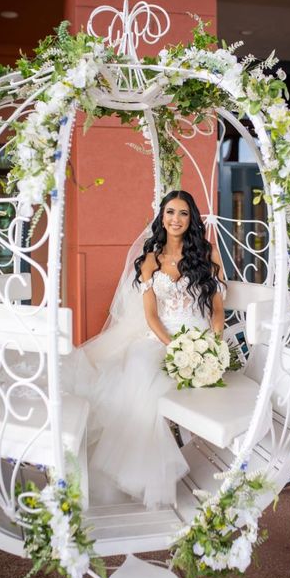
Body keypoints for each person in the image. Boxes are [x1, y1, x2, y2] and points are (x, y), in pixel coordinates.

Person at [72, 190, 225, 510]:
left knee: (153, 384)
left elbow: (216, 310)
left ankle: (151, 478)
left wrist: (213, 344)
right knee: (141, 368)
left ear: (192, 219)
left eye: (183, 213)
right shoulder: (151, 260)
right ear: (162, 217)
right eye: (170, 212)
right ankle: (142, 477)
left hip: (199, 340)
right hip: (159, 337)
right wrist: (175, 345)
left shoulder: (207, 255)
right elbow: (152, 315)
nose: (176, 219)